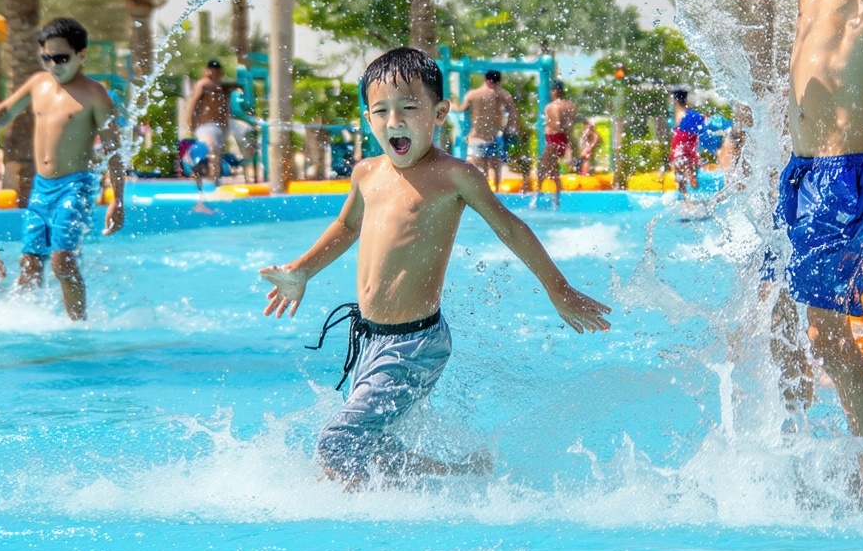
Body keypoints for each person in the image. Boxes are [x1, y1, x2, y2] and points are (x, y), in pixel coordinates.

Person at [668, 0, 863, 506]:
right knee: (771, 315)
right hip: (800, 173)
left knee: (825, 337)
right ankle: (795, 451)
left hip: (847, 173)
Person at [259, 47, 610, 488]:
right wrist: (302, 271)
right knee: (366, 445)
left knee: (338, 440)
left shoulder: (455, 175)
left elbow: (511, 228)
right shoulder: (367, 173)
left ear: (439, 112)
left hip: (417, 343)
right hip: (371, 338)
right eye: (381, 111)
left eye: (409, 108)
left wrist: (558, 288)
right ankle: (460, 474)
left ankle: (356, 519)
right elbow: (346, 226)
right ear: (368, 118)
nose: (394, 121)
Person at [0, 17, 126, 321]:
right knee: (29, 262)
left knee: (62, 261)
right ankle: (25, 324)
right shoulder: (38, 84)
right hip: (42, 188)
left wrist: (118, 199)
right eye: (46, 57)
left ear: (82, 55)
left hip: (76, 185)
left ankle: (79, 329)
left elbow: (114, 151)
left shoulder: (95, 96)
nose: (53, 64)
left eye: (61, 57)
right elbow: (2, 114)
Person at [453, 70, 510, 190]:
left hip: (477, 137)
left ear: (486, 80)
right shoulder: (501, 94)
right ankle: (498, 191)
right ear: (498, 82)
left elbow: (461, 109)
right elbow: (513, 112)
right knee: (495, 165)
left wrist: (453, 104)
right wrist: (509, 129)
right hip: (494, 136)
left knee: (479, 166)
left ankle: (481, 191)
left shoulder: (473, 94)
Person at [184, 59, 230, 183]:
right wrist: (189, 122)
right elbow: (192, 103)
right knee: (211, 150)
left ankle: (214, 180)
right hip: (206, 125)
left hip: (219, 126)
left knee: (216, 153)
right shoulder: (203, 85)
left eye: (216, 70)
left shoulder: (222, 87)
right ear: (207, 71)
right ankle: (212, 180)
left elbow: (225, 107)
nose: (213, 72)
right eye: (211, 70)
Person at [538, 80, 577, 206]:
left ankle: (538, 197)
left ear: (554, 90)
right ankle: (557, 200)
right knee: (553, 170)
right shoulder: (570, 105)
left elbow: (557, 124)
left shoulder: (552, 106)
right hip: (563, 138)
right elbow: (570, 125)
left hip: (553, 139)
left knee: (542, 168)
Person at [670, 87, 706, 196]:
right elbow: (701, 131)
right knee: (690, 178)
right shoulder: (692, 115)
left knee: (682, 179)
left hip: (681, 151)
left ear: (675, 100)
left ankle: (687, 200)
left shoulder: (682, 115)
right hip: (687, 150)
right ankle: (691, 199)